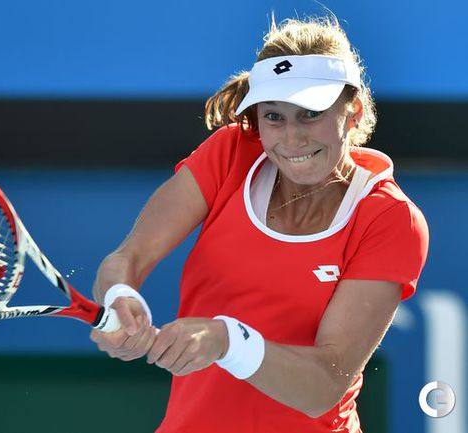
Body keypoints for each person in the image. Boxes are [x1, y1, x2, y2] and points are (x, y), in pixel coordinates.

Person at [90, 14, 429, 433]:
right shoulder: (230, 153)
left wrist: (228, 340)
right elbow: (128, 257)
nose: (292, 138)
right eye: (274, 117)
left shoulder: (390, 218)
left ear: (353, 111)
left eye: (310, 113)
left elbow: (324, 385)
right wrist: (120, 297)